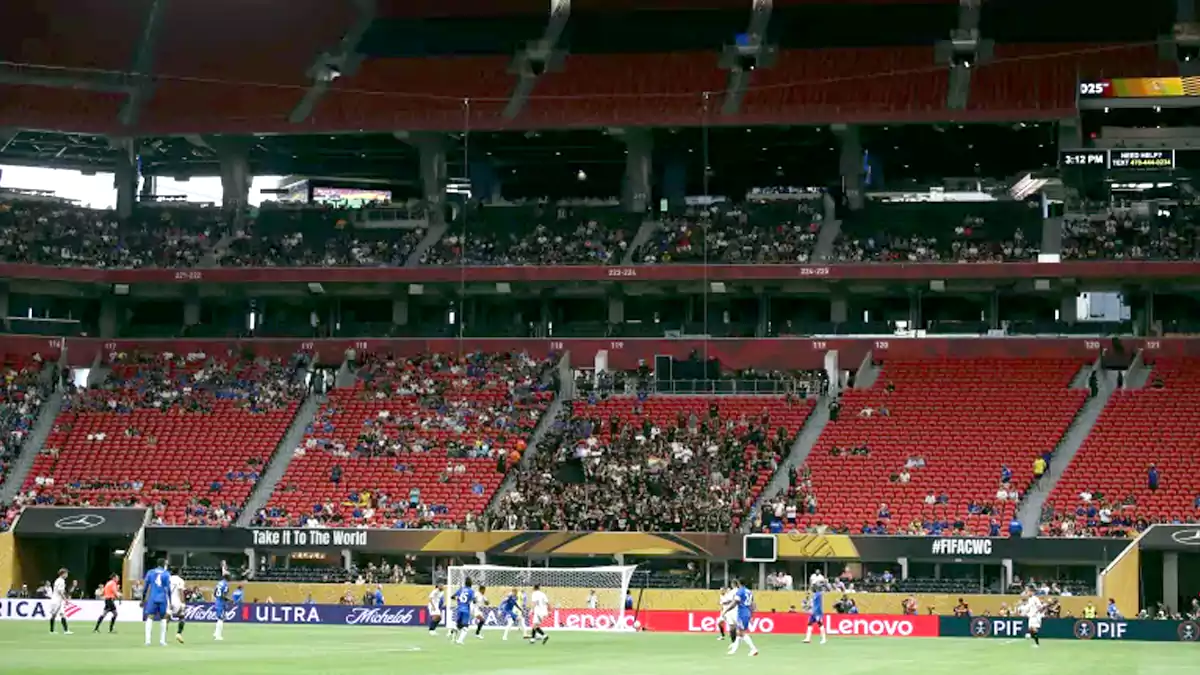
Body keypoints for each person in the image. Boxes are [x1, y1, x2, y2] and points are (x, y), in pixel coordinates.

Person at [142, 559, 172, 646]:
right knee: (163, 618)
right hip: (162, 598)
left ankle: (147, 641)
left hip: (152, 598)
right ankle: (162, 641)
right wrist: (170, 600)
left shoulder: (150, 572)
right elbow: (168, 589)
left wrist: (143, 598)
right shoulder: (166, 574)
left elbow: (145, 587)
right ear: (163, 564)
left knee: (150, 617)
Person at [726, 579, 758, 656]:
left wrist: (726, 610)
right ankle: (734, 650)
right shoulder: (749, 592)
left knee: (742, 633)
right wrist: (751, 615)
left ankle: (753, 649)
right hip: (747, 612)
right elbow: (753, 604)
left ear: (739, 583)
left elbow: (735, 602)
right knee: (739, 632)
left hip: (742, 613)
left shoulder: (740, 592)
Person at [48, 568, 72, 635]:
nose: (67, 575)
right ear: (63, 574)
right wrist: (65, 599)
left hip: (55, 599)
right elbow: (60, 591)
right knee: (59, 614)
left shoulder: (57, 580)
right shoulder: (61, 581)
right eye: (66, 573)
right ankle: (64, 630)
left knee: (57, 614)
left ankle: (53, 630)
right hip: (57, 600)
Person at [451, 579, 475, 645]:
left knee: (458, 625)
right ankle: (460, 640)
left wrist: (458, 599)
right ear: (471, 584)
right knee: (465, 626)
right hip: (466, 610)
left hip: (459, 609)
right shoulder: (471, 591)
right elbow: (474, 600)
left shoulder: (461, 589)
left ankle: (453, 639)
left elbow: (452, 597)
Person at [169, 567, 187, 643]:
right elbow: (181, 592)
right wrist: (183, 603)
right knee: (182, 617)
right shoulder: (180, 580)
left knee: (165, 619)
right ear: (178, 572)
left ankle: (162, 637)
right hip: (177, 601)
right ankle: (179, 633)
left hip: (168, 600)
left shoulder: (168, 579)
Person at [213, 573, 232, 641]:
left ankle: (215, 633)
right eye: (230, 577)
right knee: (221, 619)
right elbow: (223, 595)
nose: (231, 578)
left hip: (217, 602)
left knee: (220, 618)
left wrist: (217, 599)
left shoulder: (219, 583)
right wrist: (230, 600)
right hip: (221, 603)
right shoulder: (225, 584)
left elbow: (215, 593)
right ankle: (218, 636)